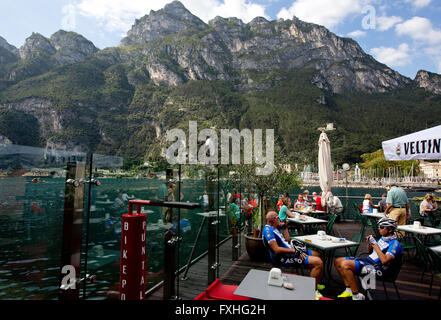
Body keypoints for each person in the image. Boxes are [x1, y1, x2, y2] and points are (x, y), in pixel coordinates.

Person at [334, 217, 403, 300]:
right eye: (379, 227)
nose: (379, 229)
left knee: (346, 264)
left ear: (390, 230)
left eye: (381, 227)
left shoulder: (395, 244)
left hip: (380, 269)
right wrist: (370, 244)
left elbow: (384, 260)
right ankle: (349, 289)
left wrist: (375, 244)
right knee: (337, 261)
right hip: (369, 261)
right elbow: (371, 252)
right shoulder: (383, 237)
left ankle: (356, 296)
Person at [263, 211, 326, 300]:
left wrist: (285, 228)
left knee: (319, 254)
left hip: (291, 251)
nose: (279, 219)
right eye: (277, 218)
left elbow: (287, 240)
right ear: (272, 220)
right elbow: (276, 250)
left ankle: (315, 281)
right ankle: (313, 291)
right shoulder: (268, 231)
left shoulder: (274, 228)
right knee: (318, 262)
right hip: (283, 257)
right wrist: (295, 251)